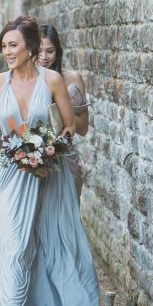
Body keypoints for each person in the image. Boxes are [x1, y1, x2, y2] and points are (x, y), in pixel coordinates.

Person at [0, 15, 98, 306]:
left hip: (49, 174)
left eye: (13, 45)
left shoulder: (52, 80)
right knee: (9, 245)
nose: (7, 52)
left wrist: (46, 148)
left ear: (30, 48)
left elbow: (69, 126)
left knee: (52, 243)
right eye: (4, 46)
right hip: (13, 175)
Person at [38, 23, 90, 198]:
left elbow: (83, 128)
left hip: (65, 158)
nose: (44, 57)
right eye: (39, 51)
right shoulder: (27, 81)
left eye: (50, 51)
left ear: (58, 51)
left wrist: (62, 111)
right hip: (35, 160)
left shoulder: (72, 78)